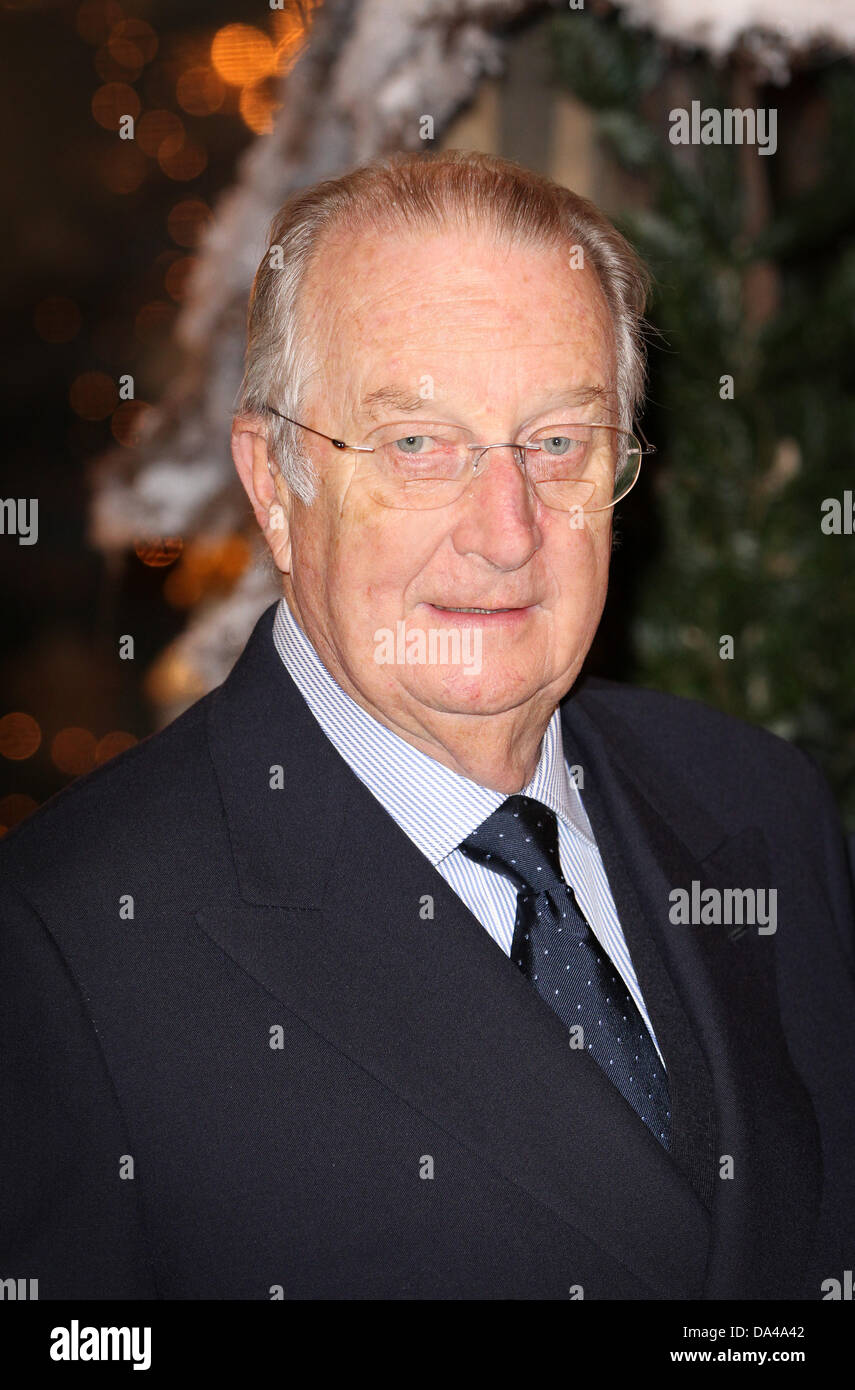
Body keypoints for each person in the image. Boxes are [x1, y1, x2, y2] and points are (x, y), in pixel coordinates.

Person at [2, 151, 853, 1300]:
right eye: (417, 445)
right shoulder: (67, 946)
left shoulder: (762, 807)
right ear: (275, 483)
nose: (506, 532)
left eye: (557, 442)